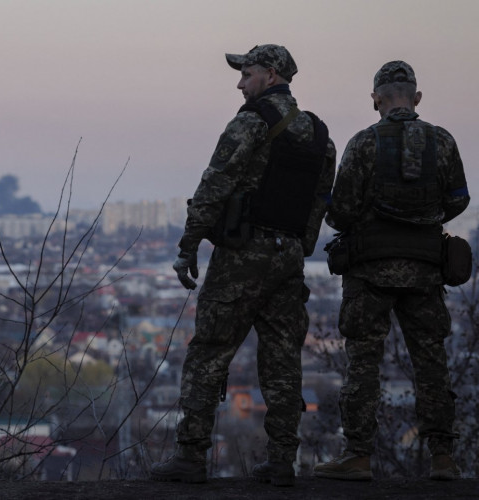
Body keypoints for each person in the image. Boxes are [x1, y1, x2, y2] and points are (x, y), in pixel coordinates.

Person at [149, 44, 335, 487]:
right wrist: (297, 248)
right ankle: (282, 461)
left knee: (209, 351)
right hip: (288, 257)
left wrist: (189, 244)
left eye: (246, 74)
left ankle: (190, 456)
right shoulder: (319, 135)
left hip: (242, 255)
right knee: (283, 359)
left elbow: (215, 183)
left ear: (270, 74)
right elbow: (319, 203)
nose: (239, 83)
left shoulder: (251, 121)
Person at [313, 61, 469, 481]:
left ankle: (358, 455)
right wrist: (423, 217)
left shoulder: (364, 143)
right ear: (416, 98)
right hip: (425, 271)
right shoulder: (443, 141)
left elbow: (341, 212)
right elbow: (458, 200)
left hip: (370, 273)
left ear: (375, 100)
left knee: (364, 362)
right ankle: (443, 458)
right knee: (431, 362)